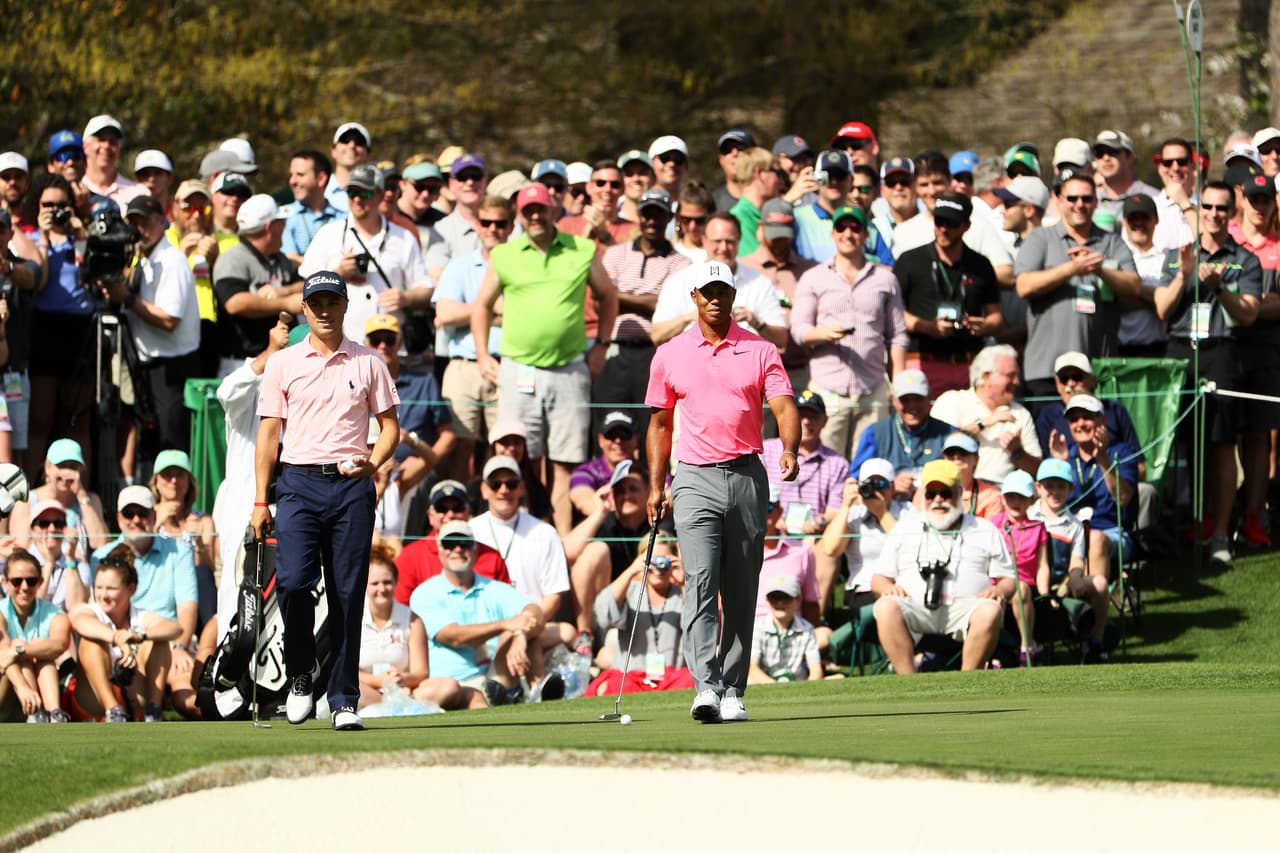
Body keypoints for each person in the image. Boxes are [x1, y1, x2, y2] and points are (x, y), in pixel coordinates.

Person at [645, 259, 799, 724]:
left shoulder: (761, 350)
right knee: (701, 580)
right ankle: (706, 686)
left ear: (734, 297)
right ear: (694, 297)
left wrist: (788, 447)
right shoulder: (670, 354)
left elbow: (784, 405)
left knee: (740, 586)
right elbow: (658, 424)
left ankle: (733, 688)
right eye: (707, 291)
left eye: (723, 292)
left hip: (749, 474)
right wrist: (656, 484)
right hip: (693, 477)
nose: (715, 298)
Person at [252, 270, 401, 732]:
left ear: (344, 306)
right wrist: (261, 502)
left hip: (351, 486)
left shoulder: (369, 362)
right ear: (304, 308)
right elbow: (269, 434)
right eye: (315, 302)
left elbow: (391, 426)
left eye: (331, 302)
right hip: (297, 483)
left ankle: (342, 700)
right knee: (294, 582)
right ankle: (300, 676)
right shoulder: (283, 363)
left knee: (347, 593)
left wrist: (373, 464)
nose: (323, 310)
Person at [472, 183, 619, 535]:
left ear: (553, 209)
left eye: (541, 208)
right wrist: (481, 354)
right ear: (519, 215)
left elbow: (608, 295)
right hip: (519, 367)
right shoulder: (505, 254)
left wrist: (601, 345)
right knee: (518, 459)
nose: (535, 216)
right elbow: (481, 305)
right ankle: (522, 538)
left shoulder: (581, 248)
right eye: (527, 210)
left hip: (569, 368)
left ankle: (563, 543)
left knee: (565, 462)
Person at [1154, 181, 1262, 567]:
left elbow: (1248, 314)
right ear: (1198, 212)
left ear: (1231, 213)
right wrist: (1185, 275)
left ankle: (1219, 534)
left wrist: (1219, 289)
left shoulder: (1244, 259)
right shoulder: (1175, 254)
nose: (1215, 215)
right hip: (1180, 350)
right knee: (1179, 442)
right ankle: (1180, 528)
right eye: (1208, 208)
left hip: (1221, 351)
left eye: (1222, 208)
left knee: (1220, 443)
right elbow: (1162, 310)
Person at [871, 460, 1015, 673]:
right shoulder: (905, 526)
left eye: (945, 493)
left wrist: (999, 590)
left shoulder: (984, 528)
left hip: (967, 607)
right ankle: (907, 682)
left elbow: (1009, 579)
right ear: (923, 496)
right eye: (931, 494)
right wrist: (886, 589)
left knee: (990, 610)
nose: (938, 500)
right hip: (915, 606)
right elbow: (878, 579)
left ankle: (968, 679)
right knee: (885, 606)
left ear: (959, 493)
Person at [1013, 167, 1141, 403]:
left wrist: (1101, 271)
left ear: (1095, 202)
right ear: (1059, 201)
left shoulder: (1111, 242)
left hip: (1098, 371)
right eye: (1072, 198)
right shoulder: (1041, 238)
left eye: (1086, 198)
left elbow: (1134, 286)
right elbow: (1023, 286)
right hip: (1046, 371)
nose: (1079, 204)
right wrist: (1072, 268)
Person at [791, 204, 908, 457]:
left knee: (869, 466)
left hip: (872, 387)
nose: (848, 233)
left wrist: (898, 386)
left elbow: (897, 336)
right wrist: (825, 334)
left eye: (855, 227)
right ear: (832, 234)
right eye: (841, 227)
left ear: (865, 234)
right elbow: (799, 330)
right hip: (828, 389)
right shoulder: (813, 277)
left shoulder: (886, 279)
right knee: (822, 461)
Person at [410, 520, 550, 706]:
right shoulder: (425, 593)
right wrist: (505, 625)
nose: (458, 550)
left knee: (531, 634)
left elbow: (535, 612)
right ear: (440, 550)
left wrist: (521, 634)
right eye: (450, 544)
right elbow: (454, 636)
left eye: (465, 544)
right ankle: (520, 694)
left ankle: (537, 695)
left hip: (494, 676)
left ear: (475, 549)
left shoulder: (494, 588)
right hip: (450, 683)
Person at [90, 485, 201, 717]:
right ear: (119, 518)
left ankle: (154, 710)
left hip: (167, 642)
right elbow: (91, 613)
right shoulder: (100, 557)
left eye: (142, 513)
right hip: (118, 645)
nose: (136, 520)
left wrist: (180, 646)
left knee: (186, 699)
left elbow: (187, 607)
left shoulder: (179, 550)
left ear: (154, 515)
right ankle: (121, 711)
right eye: (129, 514)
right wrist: (120, 641)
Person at [299, 163, 432, 344]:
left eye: (365, 193)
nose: (357, 200)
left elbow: (425, 289)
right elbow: (305, 287)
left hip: (387, 347)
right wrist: (338, 274)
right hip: (339, 346)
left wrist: (406, 298)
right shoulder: (329, 233)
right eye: (352, 193)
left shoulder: (403, 237)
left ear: (380, 195)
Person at [432, 194, 511, 480]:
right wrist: (493, 309)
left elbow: (524, 316)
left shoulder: (521, 265)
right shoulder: (460, 266)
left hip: (508, 364)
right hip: (464, 365)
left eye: (500, 223)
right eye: (486, 222)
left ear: (511, 226)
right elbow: (444, 313)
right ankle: (455, 509)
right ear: (477, 224)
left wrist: (474, 312)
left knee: (505, 447)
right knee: (460, 445)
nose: (493, 229)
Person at [894, 193, 1003, 394]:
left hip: (970, 362)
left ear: (966, 226)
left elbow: (996, 317)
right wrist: (927, 327)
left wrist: (983, 325)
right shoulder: (910, 261)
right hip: (924, 361)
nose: (943, 229)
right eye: (939, 221)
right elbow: (893, 313)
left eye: (951, 223)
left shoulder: (981, 265)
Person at [119, 194, 201, 456]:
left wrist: (127, 299)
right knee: (153, 446)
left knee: (172, 447)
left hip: (171, 369)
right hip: (149, 366)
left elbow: (169, 320)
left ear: (161, 222)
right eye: (134, 222)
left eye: (146, 222)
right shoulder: (141, 258)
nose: (139, 229)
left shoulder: (171, 260)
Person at [358, 544, 481, 711]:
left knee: (448, 686)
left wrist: (402, 679)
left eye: (387, 583)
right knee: (350, 688)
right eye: (375, 584)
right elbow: (348, 672)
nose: (382, 589)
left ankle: (396, 706)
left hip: (405, 691)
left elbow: (421, 672)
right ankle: (393, 707)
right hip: (367, 689)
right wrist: (380, 681)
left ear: (395, 583)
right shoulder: (354, 619)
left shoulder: (412, 619)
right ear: (365, 585)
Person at [68, 547, 182, 722]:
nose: (103, 595)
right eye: (98, 588)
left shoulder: (140, 616)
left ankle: (153, 709)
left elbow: (175, 629)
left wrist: (140, 636)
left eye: (111, 588)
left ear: (131, 589)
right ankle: (113, 710)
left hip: (134, 694)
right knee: (90, 642)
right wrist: (118, 639)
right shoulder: (91, 611)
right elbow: (80, 622)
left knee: (159, 641)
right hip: (92, 701)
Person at [586, 537, 693, 695]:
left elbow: (698, 630)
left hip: (672, 678)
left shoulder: (681, 593)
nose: (658, 568)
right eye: (652, 561)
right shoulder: (630, 591)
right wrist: (631, 571)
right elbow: (603, 616)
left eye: (664, 562)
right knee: (609, 686)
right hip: (631, 676)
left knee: (691, 681)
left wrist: (685, 583)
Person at [212, 194, 303, 376]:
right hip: (242, 363)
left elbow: (303, 285)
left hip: (281, 360)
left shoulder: (280, 259)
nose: (284, 227)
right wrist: (286, 303)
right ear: (269, 227)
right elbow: (235, 303)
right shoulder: (232, 258)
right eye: (280, 222)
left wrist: (281, 291)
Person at [930, 344, 1042, 484]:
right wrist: (983, 423)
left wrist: (1017, 451)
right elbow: (934, 446)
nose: (1017, 382)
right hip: (952, 489)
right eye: (1011, 376)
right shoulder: (952, 401)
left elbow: (1038, 470)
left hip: (1001, 494)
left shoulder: (1020, 414)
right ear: (987, 376)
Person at [393, 479, 511, 605]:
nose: (450, 514)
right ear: (430, 516)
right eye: (441, 508)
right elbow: (400, 609)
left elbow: (507, 604)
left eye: (457, 508)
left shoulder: (492, 557)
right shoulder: (409, 557)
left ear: (468, 512)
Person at [819, 458, 910, 618]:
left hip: (902, 588)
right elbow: (830, 549)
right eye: (870, 484)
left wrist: (882, 514)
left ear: (893, 488)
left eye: (882, 485)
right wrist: (846, 504)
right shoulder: (853, 514)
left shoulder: (907, 512)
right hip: (863, 590)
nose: (876, 491)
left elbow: (910, 549)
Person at [850, 369, 954, 495]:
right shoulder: (875, 433)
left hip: (934, 505)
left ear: (929, 398)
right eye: (905, 400)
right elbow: (857, 481)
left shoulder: (949, 434)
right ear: (893, 400)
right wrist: (889, 486)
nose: (912, 405)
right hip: (888, 508)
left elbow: (963, 478)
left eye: (918, 398)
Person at [149, 449, 217, 632]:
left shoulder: (203, 521)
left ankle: (207, 642)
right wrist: (156, 526)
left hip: (192, 586)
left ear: (189, 481)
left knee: (202, 574)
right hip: (158, 581)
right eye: (167, 475)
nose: (173, 481)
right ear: (156, 480)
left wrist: (199, 544)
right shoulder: (145, 515)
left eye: (179, 475)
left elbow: (208, 568)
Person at [0, 549, 72, 722]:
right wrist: (23, 687)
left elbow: (59, 645)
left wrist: (21, 649)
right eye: (17, 581)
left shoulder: (56, 614)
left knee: (36, 655)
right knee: (24, 654)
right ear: (5, 583)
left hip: (37, 687)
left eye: (31, 581)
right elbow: (3, 656)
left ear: (40, 582)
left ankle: (52, 713)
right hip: (6, 694)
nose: (24, 587)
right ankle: (40, 712)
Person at [989, 470, 1048, 666]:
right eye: (1011, 496)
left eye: (1021, 497)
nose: (1016, 501)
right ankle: (992, 652)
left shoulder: (1037, 527)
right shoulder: (993, 524)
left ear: (1031, 500)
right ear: (1003, 499)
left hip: (1025, 586)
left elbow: (1042, 565)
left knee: (1020, 588)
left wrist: (1046, 594)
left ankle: (1027, 646)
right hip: (996, 582)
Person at [748, 575, 822, 684]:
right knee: (750, 682)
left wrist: (807, 688)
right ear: (767, 600)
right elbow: (752, 668)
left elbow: (816, 670)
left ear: (797, 600)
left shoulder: (807, 629)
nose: (780, 603)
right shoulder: (758, 628)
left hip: (798, 682)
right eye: (774, 597)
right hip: (764, 681)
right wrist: (774, 686)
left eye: (786, 597)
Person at [281, 150, 342, 265]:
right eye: (291, 175)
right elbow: (288, 259)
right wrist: (331, 269)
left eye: (300, 175)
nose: (292, 181)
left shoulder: (344, 218)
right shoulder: (283, 216)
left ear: (321, 179)